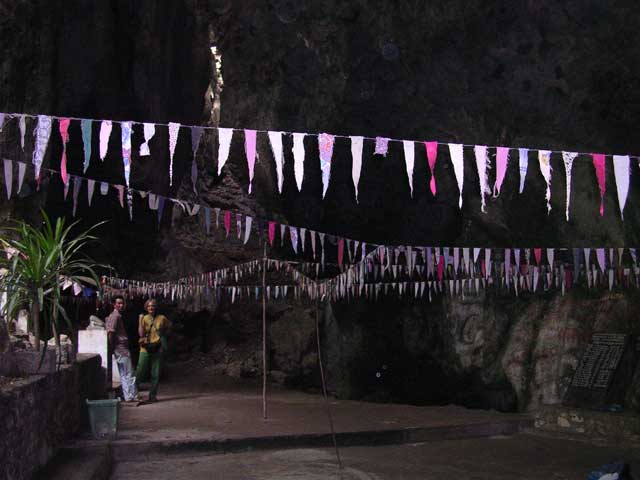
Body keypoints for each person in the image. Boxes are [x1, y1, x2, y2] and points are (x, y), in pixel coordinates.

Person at [136, 298, 170, 403]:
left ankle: (153, 396)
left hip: (157, 347)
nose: (151, 307)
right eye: (149, 306)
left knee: (156, 373)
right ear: (146, 307)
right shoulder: (144, 318)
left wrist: (163, 336)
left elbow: (169, 327)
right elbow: (141, 334)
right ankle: (132, 393)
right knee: (140, 371)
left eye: (153, 306)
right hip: (145, 347)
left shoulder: (162, 318)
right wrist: (140, 320)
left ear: (156, 307)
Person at [105, 295, 139, 402]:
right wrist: (111, 347)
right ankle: (132, 396)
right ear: (114, 304)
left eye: (122, 303)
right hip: (121, 348)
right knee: (129, 372)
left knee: (124, 373)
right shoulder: (115, 316)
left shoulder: (115, 316)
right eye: (118, 303)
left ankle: (129, 396)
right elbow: (111, 333)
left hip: (119, 348)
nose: (121, 305)